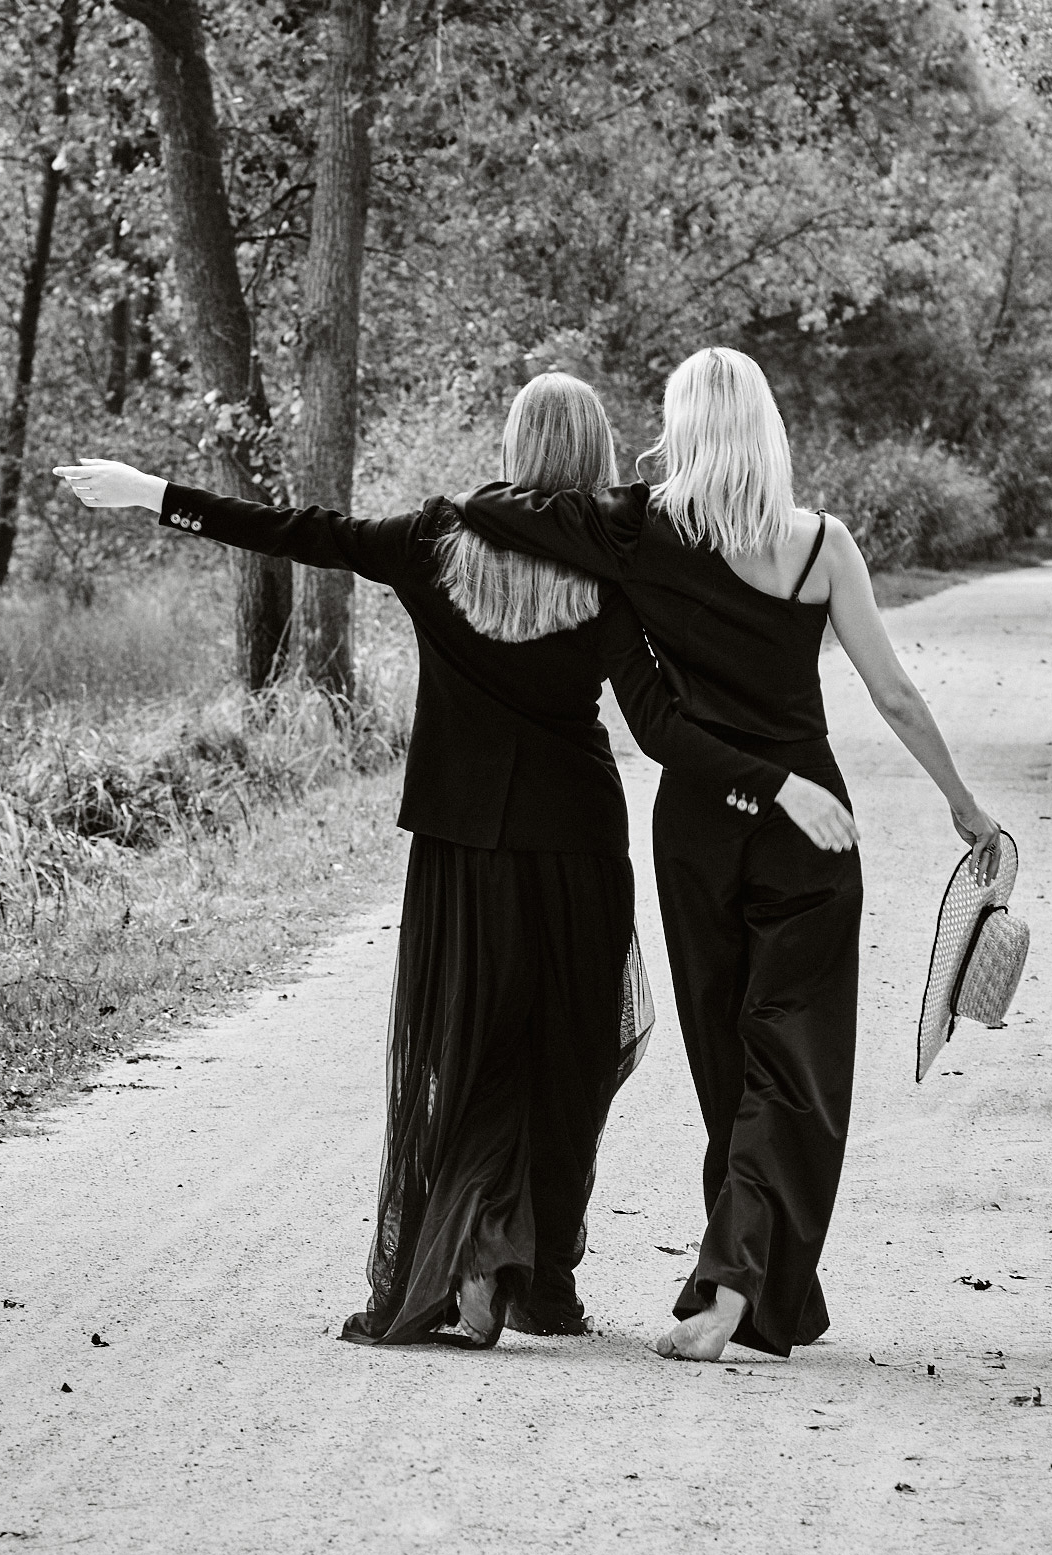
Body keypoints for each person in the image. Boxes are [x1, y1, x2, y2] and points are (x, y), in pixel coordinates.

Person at [54, 375, 855, 1351]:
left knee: (473, 1050)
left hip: (461, 845)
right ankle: (538, 1277)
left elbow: (300, 531)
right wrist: (772, 780)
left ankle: (479, 1250)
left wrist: (153, 493)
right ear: (598, 454)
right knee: (567, 1059)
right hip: (576, 844)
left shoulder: (432, 540)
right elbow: (659, 725)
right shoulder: (605, 574)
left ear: (514, 445)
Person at [457, 347, 1003, 1362]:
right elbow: (892, 693)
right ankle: (740, 1285)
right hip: (808, 828)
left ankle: (752, 1279)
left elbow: (506, 513)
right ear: (767, 428)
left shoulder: (639, 530)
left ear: (681, 427)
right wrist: (960, 803)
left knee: (727, 1065)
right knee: (794, 1067)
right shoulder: (821, 543)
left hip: (700, 828)